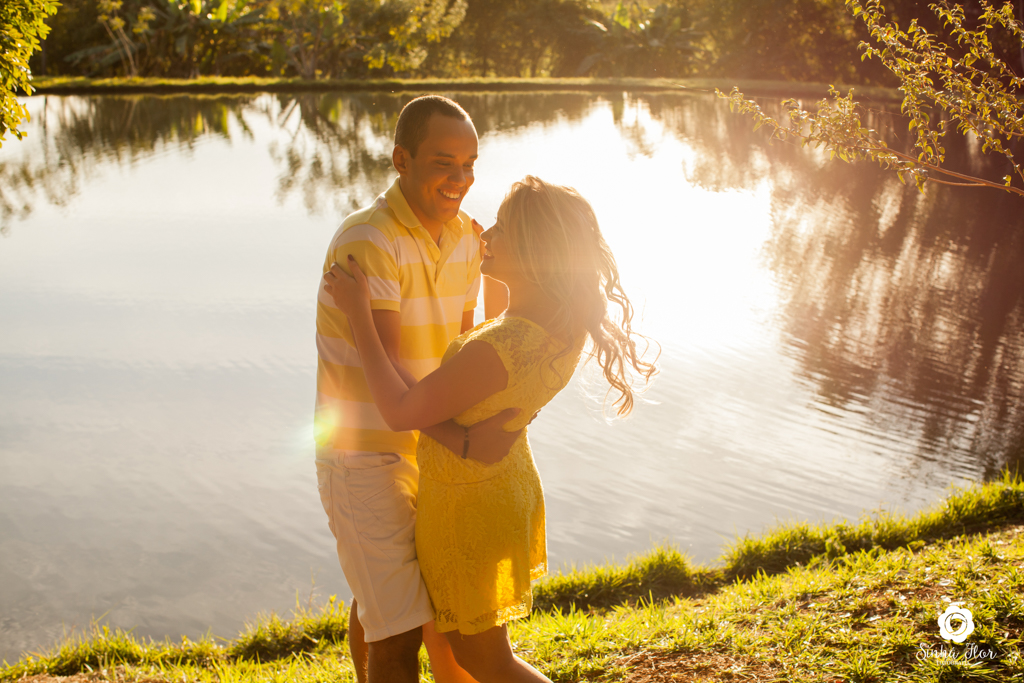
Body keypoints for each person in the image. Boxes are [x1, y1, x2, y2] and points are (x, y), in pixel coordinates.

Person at [325, 175, 657, 682]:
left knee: (483, 658)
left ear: (532, 250)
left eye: (503, 230)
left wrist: (359, 319)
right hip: (498, 486)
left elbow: (401, 410)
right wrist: (487, 275)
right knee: (433, 630)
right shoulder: (549, 325)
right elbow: (492, 366)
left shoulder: (502, 347)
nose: (487, 235)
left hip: (470, 506)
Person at [314, 95, 516, 683]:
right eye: (443, 163)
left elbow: (459, 348)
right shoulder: (368, 240)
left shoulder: (463, 240)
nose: (460, 180)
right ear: (401, 159)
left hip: (428, 450)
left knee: (386, 603)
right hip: (365, 454)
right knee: (399, 635)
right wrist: (462, 439)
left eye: (470, 164)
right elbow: (394, 377)